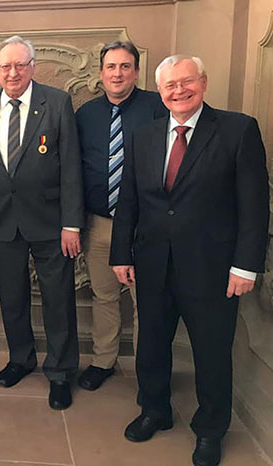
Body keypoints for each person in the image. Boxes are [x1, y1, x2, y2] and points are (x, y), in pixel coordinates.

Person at [110, 55, 268, 466]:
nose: (178, 91)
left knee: (212, 353)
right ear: (160, 91)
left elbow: (255, 204)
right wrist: (120, 252)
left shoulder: (237, 129)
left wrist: (246, 265)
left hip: (214, 268)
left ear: (204, 81)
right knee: (151, 345)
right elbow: (129, 199)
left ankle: (210, 429)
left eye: (186, 82)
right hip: (152, 262)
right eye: (169, 86)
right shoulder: (142, 134)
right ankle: (154, 410)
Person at [0, 35, 83, 410]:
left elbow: (71, 166)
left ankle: (61, 372)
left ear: (33, 66)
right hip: (4, 220)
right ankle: (21, 358)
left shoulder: (57, 102)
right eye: (5, 66)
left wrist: (72, 224)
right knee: (12, 297)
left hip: (51, 222)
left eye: (20, 65)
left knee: (58, 299)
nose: (13, 72)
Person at [75, 41, 166, 391]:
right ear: (100, 73)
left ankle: (149, 371)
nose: (117, 73)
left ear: (137, 72)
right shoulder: (86, 114)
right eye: (111, 67)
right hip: (99, 224)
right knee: (104, 295)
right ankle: (103, 360)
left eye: (125, 66)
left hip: (146, 225)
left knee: (147, 301)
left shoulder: (158, 108)